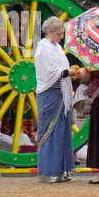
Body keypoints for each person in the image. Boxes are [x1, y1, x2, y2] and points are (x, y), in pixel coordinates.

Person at [34, 16, 79, 183]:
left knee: (62, 132)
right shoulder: (43, 49)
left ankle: (61, 170)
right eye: (59, 34)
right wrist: (71, 72)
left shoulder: (56, 47)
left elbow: (60, 70)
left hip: (61, 93)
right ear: (50, 32)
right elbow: (51, 73)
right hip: (50, 94)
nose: (61, 37)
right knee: (50, 132)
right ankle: (49, 171)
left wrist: (70, 73)